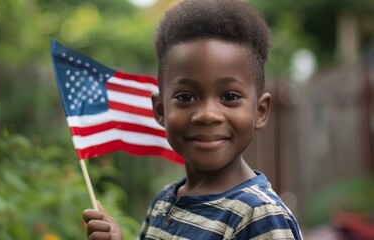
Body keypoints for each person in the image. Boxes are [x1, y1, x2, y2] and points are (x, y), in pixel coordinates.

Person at [82, 0, 304, 239]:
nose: (207, 114)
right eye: (186, 97)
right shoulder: (164, 201)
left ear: (259, 112)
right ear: (160, 111)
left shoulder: (260, 217)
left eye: (229, 96)